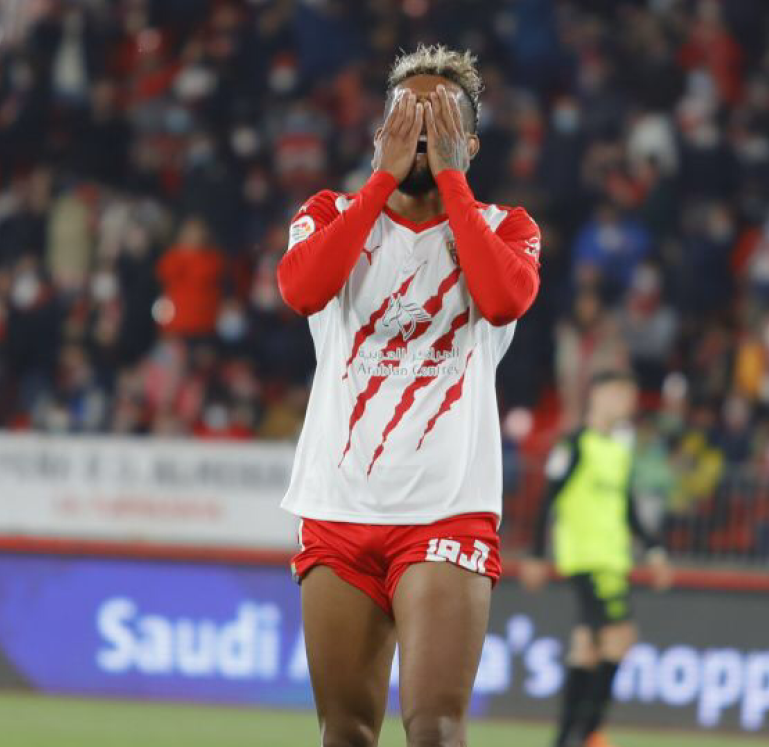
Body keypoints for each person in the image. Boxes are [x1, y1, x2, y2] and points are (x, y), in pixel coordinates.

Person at [276, 44, 541, 747]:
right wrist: (379, 183)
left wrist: (451, 183)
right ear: (378, 134)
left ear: (471, 142)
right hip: (337, 504)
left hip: (446, 509)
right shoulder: (329, 212)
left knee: (433, 728)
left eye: (441, 120)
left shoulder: (505, 227)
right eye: (406, 117)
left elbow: (504, 298)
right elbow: (302, 289)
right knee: (346, 732)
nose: (421, 133)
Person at [522, 370, 673, 747]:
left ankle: (564, 739)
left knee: (587, 647)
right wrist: (537, 554)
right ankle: (588, 735)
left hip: (613, 560)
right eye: (622, 395)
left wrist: (653, 550)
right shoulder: (575, 444)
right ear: (600, 395)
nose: (628, 404)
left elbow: (626, 508)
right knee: (621, 637)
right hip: (587, 560)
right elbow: (548, 499)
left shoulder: (618, 450)